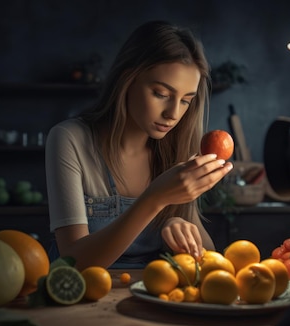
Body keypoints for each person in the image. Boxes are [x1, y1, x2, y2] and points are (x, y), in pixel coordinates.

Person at [45, 20, 233, 270]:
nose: (173, 114)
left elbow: (208, 259)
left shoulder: (177, 150)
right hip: (81, 298)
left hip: (151, 297)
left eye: (186, 100)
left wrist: (179, 229)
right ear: (128, 79)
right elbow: (73, 263)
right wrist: (155, 199)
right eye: (161, 94)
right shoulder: (70, 139)